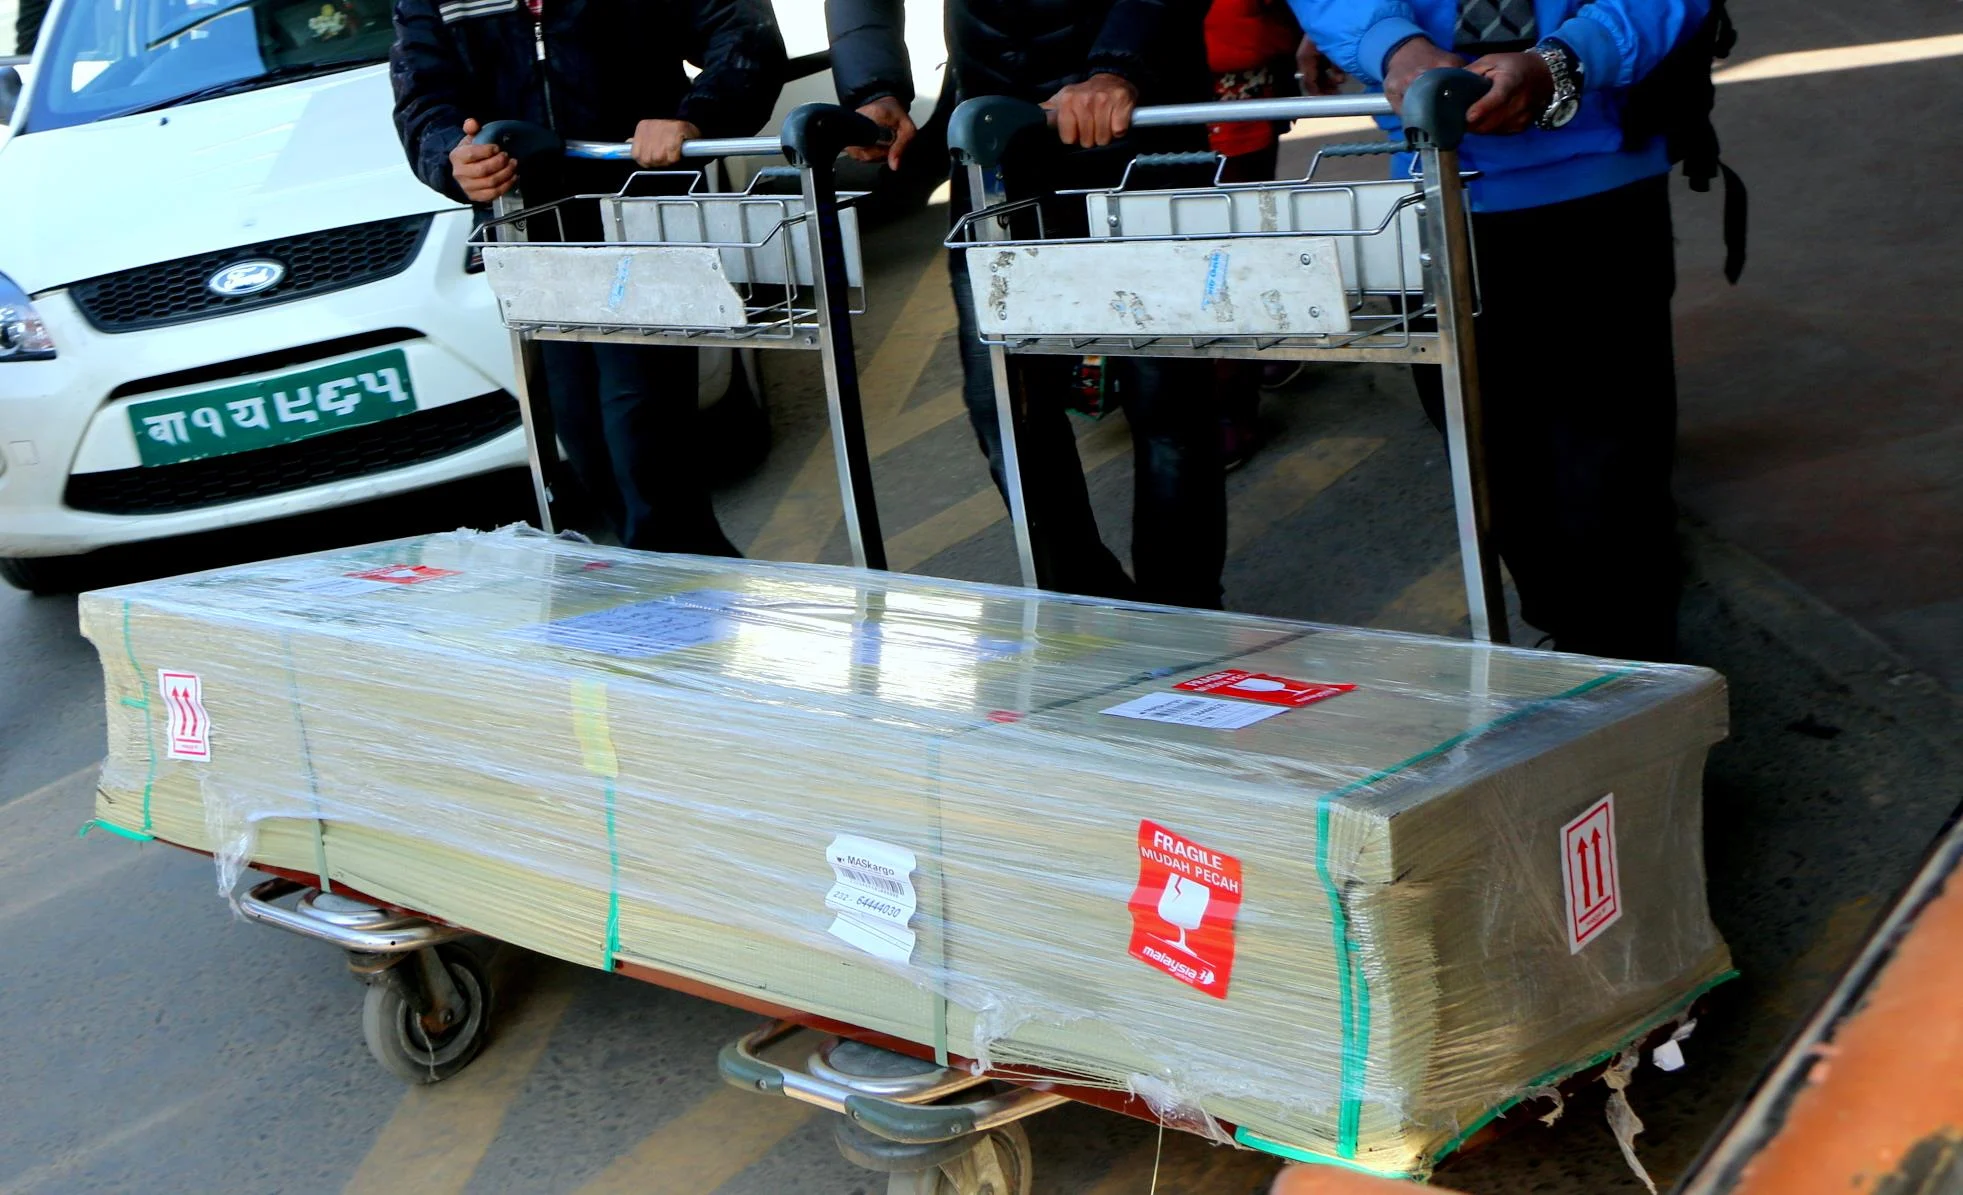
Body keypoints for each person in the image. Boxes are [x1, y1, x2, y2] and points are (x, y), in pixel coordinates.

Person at [1287, 0, 1711, 661]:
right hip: (1433, 185)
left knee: (1609, 469)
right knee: (1492, 462)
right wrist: (1389, 44)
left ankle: (1636, 675)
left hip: (1601, 179)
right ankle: (1573, 633)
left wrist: (1563, 62)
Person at [825, 0, 1229, 611]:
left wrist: (1118, 68)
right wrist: (873, 88)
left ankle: (1186, 617)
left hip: (1142, 142)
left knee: (1168, 402)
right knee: (1004, 410)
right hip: (997, 153)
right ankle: (1087, 604)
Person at [390, 0, 785, 555]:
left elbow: (744, 35)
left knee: (642, 438)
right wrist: (452, 156)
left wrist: (694, 116)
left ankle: (679, 593)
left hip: (640, 215)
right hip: (535, 235)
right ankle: (688, 590)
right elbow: (422, 95)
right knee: (586, 439)